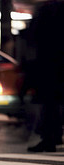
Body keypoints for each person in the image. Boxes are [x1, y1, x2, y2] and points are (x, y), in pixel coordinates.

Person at [26, 0, 64, 152]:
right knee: (52, 102)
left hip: (49, 62)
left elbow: (35, 36)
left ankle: (50, 137)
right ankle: (53, 135)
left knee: (50, 102)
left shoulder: (47, 9)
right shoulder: (54, 8)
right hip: (55, 61)